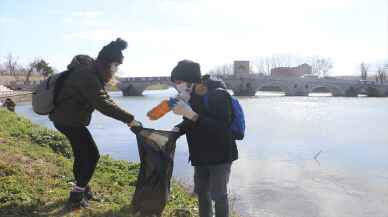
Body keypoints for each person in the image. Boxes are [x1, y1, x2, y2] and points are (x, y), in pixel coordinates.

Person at [49, 38, 141, 209]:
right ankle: (76, 195)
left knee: (82, 153)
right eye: (116, 65)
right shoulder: (88, 75)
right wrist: (130, 119)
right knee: (92, 155)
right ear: (109, 63)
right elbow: (103, 103)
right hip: (69, 121)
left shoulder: (91, 71)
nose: (116, 69)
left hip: (65, 119)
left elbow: (103, 99)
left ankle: (83, 189)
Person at [170, 60, 238, 217]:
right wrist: (177, 130)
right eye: (175, 83)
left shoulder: (218, 94)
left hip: (220, 154)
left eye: (179, 82)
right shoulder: (191, 96)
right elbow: (191, 122)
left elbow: (222, 127)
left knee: (219, 195)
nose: (177, 86)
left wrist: (192, 115)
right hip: (200, 154)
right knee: (202, 192)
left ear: (190, 80)